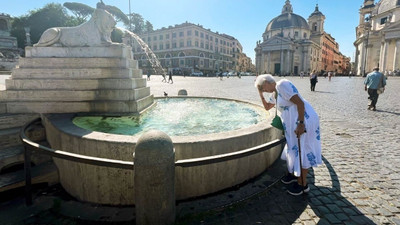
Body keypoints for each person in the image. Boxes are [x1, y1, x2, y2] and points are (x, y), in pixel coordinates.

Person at [255, 74, 322, 196]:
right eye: (261, 89)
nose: (263, 90)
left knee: (303, 149)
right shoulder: (274, 93)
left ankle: (303, 184)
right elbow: (267, 107)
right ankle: (293, 174)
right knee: (293, 148)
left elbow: (300, 103)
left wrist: (301, 124)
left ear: (267, 82)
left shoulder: (282, 85)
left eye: (263, 87)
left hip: (303, 121)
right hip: (291, 124)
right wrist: (260, 94)